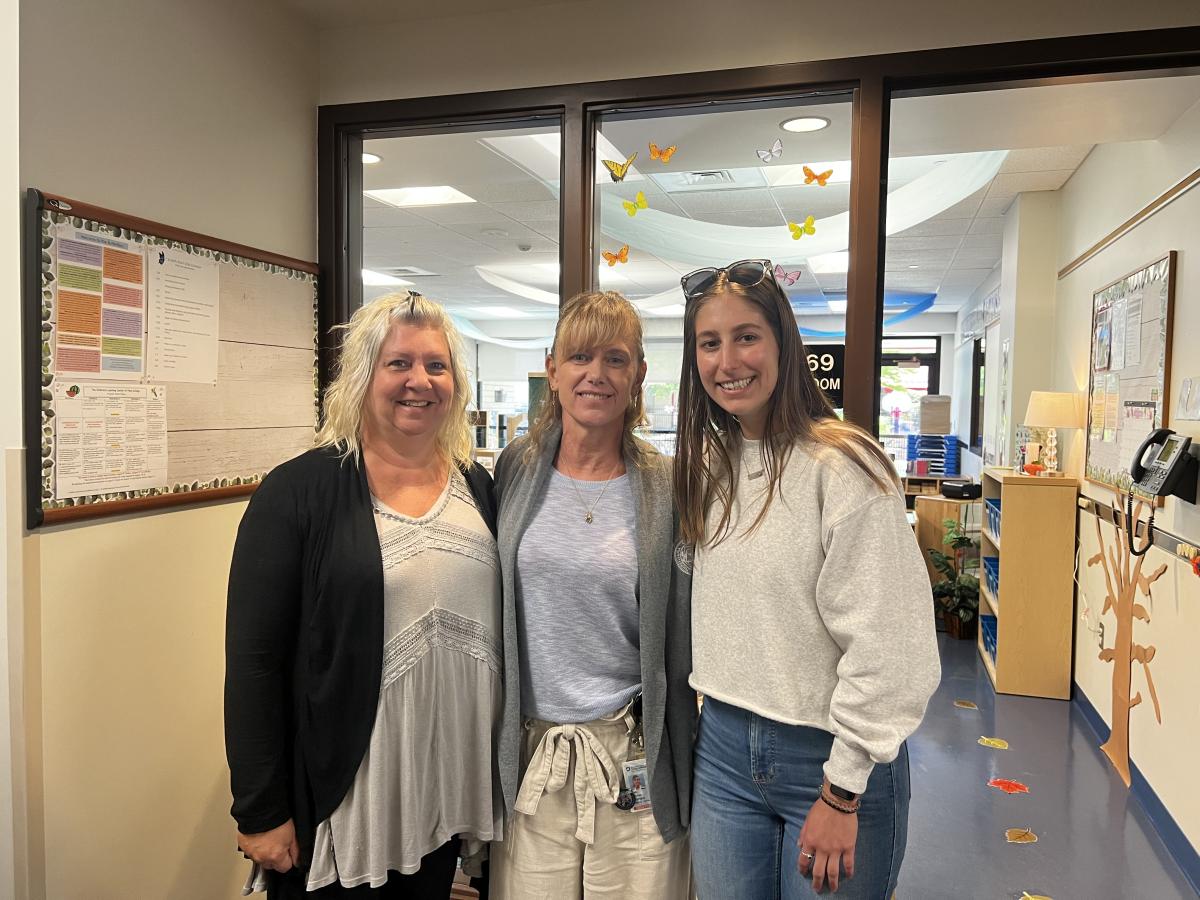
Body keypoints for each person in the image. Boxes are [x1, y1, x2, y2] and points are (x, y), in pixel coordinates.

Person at [673, 260, 940, 899]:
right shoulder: (711, 466)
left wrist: (843, 791)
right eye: (709, 343)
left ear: (783, 344)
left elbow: (892, 648)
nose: (727, 359)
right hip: (724, 752)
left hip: (827, 758)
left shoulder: (843, 466)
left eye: (746, 336)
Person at [225, 291, 501, 898]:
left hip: (444, 788)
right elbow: (253, 663)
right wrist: (260, 810)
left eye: (436, 364)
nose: (418, 381)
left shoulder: (476, 484)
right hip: (345, 800)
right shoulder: (298, 491)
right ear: (362, 376)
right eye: (397, 363)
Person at [489, 290, 695, 900]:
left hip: (632, 750)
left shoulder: (666, 488)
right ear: (552, 370)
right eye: (579, 357)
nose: (596, 375)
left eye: (616, 359)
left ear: (637, 378)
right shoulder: (514, 471)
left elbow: (683, 629)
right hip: (534, 753)